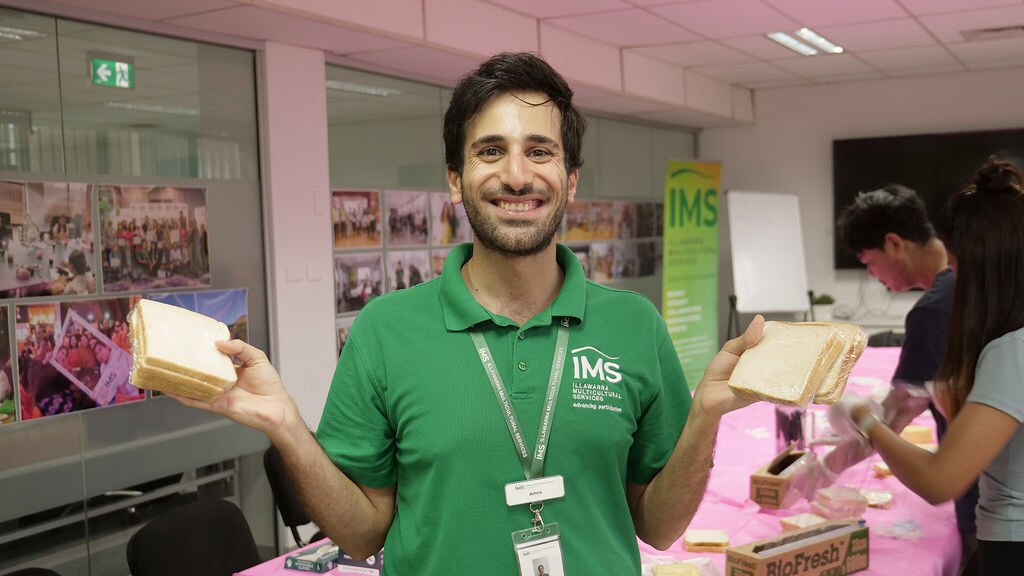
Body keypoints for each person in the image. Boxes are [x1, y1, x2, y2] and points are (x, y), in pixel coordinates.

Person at [170, 52, 765, 574]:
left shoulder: (635, 325)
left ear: (571, 178)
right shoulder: (384, 330)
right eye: (490, 151)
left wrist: (705, 418)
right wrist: (287, 427)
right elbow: (362, 532)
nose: (516, 174)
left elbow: (658, 527)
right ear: (455, 179)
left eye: (540, 151)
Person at [833, 157, 1024, 575]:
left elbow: (939, 481)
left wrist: (866, 419)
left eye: (956, 267)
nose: (953, 279)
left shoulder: (1011, 349)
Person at [813, 183, 980, 573]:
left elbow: (893, 421)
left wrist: (826, 466)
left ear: (894, 243)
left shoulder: (936, 308)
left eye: (868, 263)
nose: (873, 277)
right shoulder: (969, 285)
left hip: (988, 499)